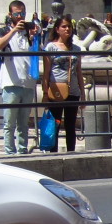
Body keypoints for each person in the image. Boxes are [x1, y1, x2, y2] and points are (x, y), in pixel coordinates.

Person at [0, 0, 39, 155]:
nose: (20, 17)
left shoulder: (29, 30)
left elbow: (37, 50)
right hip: (11, 83)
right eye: (17, 14)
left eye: (23, 13)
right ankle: (10, 152)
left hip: (28, 83)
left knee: (24, 123)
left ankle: (23, 150)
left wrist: (34, 36)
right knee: (9, 123)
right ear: (10, 14)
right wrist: (13, 31)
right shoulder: (3, 30)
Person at [42, 14, 83, 153]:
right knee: (56, 123)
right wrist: (45, 92)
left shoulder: (76, 49)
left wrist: (83, 94)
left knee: (71, 125)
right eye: (64, 26)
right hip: (56, 89)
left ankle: (71, 151)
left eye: (69, 27)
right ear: (57, 29)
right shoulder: (51, 47)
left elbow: (79, 72)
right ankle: (53, 152)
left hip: (73, 91)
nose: (67, 29)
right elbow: (46, 72)